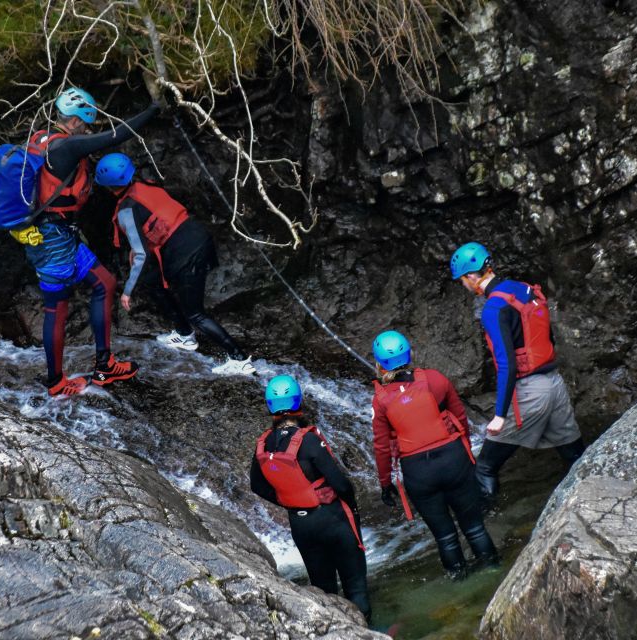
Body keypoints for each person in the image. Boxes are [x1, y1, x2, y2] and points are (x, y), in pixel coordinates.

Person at [15, 87, 159, 396]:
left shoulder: (42, 138)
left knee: (104, 284)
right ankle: (56, 382)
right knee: (57, 307)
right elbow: (116, 135)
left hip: (60, 236)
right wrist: (154, 108)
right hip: (51, 241)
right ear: (78, 120)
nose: (87, 128)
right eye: (86, 122)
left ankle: (105, 364)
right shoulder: (66, 147)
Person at [94, 152, 255, 375]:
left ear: (106, 186)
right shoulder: (144, 186)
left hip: (187, 254)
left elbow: (141, 256)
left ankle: (239, 359)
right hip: (197, 236)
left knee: (196, 313)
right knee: (152, 282)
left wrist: (127, 292)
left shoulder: (125, 211)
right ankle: (184, 334)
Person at [449, 242, 586, 503]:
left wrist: (500, 415)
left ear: (471, 276)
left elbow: (506, 364)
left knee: (485, 467)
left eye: (462, 280)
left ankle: (490, 531)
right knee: (576, 457)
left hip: (530, 394)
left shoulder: (493, 309)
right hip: (554, 385)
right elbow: (547, 337)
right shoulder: (522, 289)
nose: (464, 286)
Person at [370, 330, 499, 579]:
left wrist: (385, 484)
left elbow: (382, 446)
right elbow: (460, 417)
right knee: (474, 527)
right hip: (454, 460)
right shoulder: (435, 379)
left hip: (419, 472)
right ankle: (493, 570)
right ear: (409, 354)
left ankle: (460, 584)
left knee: (446, 537)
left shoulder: (381, 401)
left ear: (379, 363)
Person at [250, 375, 371, 620]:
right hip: (333, 519)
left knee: (324, 590)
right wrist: (350, 505)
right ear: (298, 402)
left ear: (270, 406)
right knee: (355, 586)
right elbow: (340, 484)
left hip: (301, 524)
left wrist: (291, 499)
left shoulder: (263, 444)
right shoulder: (308, 439)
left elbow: (257, 486)